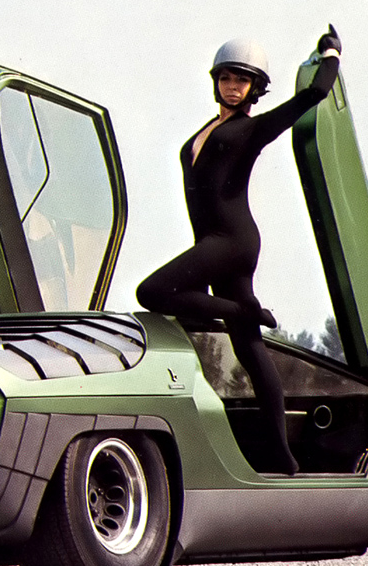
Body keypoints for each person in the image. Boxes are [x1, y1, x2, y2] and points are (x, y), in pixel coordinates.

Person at [137, 25, 342, 475]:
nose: (232, 85)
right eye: (226, 77)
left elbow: (313, 95)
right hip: (212, 242)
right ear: (216, 80)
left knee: (151, 292)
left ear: (255, 88)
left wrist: (331, 54)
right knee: (249, 348)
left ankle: (242, 311)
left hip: (232, 242)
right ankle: (283, 458)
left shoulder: (252, 129)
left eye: (242, 79)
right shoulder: (210, 127)